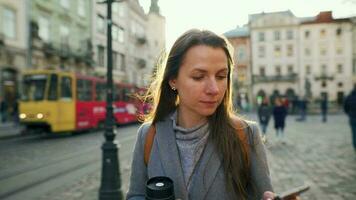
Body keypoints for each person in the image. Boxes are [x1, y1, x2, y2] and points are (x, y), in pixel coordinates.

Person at [127, 29, 274, 200]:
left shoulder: (246, 134)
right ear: (173, 80)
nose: (214, 89)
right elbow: (135, 195)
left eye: (221, 76)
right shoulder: (148, 135)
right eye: (198, 76)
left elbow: (264, 193)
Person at [344, 84, 356, 150]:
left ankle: (355, 147)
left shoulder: (349, 97)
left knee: (354, 133)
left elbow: (345, 108)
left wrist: (349, 114)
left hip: (353, 118)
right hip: (352, 117)